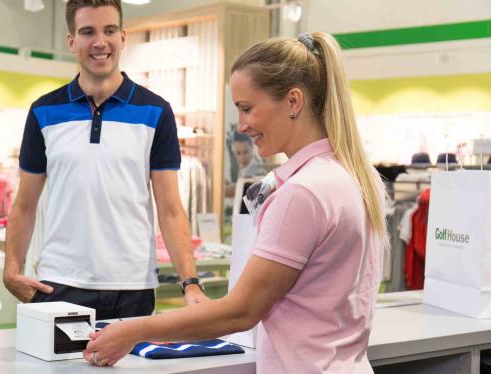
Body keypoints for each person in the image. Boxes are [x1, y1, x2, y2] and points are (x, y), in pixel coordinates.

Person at [83, 31, 388, 373]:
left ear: (293, 102)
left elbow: (240, 311)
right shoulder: (357, 177)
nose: (241, 126)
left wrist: (135, 330)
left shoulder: (302, 194)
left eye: (247, 109)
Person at [2, 0, 209, 321]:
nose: (100, 42)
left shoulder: (156, 111)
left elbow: (170, 208)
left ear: (123, 37)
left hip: (133, 287)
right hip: (59, 283)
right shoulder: (43, 111)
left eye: (109, 30)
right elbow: (24, 205)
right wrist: (11, 269)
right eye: (88, 32)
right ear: (71, 41)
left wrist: (190, 283)